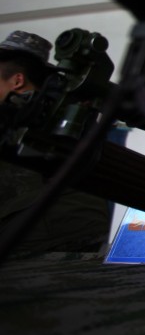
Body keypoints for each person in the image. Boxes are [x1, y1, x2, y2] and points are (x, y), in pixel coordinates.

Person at [0, 30, 112, 253]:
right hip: (73, 229)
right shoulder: (67, 113)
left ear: (17, 80)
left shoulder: (23, 118)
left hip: (41, 238)